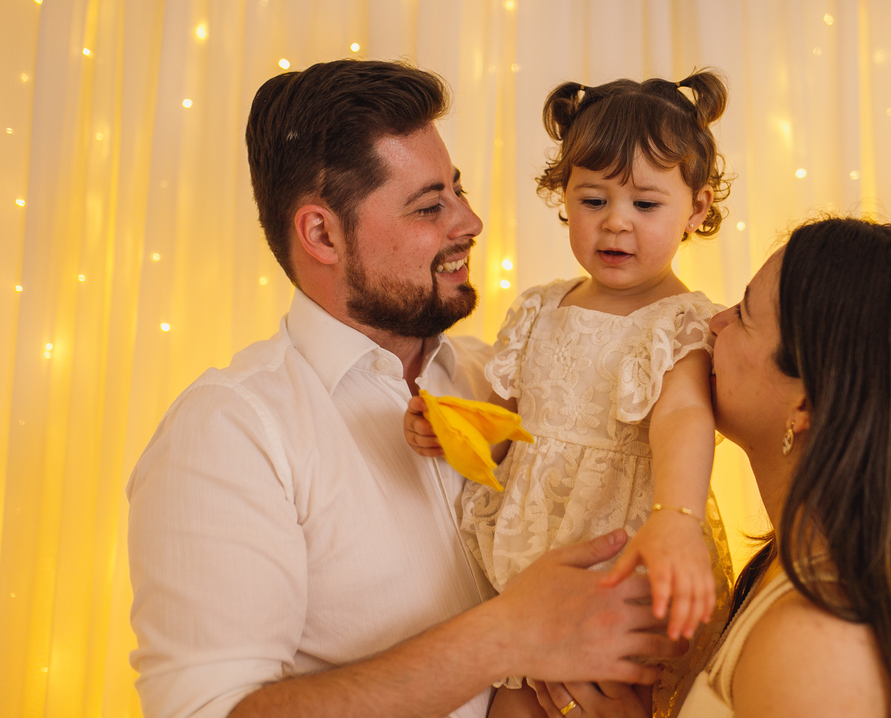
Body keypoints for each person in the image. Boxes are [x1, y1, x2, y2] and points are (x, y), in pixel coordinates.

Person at [125, 60, 683, 718]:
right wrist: (508, 635)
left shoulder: (507, 380)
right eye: (429, 207)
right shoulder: (233, 431)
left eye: (459, 190)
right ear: (322, 234)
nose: (470, 222)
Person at [534, 216, 891, 716]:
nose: (715, 323)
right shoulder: (791, 569)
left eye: (744, 314)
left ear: (806, 405)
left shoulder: (817, 645)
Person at [405, 72, 735, 718]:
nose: (616, 224)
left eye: (645, 205)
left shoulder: (681, 322)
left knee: (607, 695)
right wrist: (460, 431)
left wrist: (677, 518)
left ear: (696, 209)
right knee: (518, 695)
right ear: (562, 197)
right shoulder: (539, 308)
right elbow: (513, 424)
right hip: (534, 558)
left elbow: (684, 418)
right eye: (592, 201)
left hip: (624, 553)